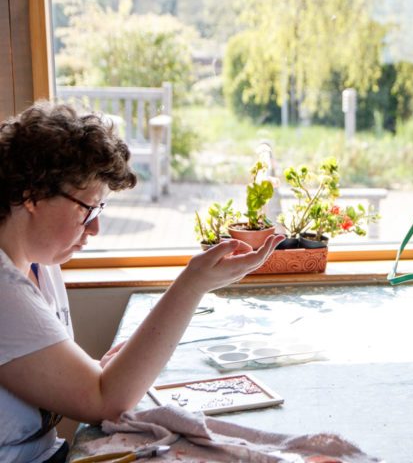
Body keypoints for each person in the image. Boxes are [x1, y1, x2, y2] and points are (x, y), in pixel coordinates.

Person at [0, 101, 284, 463]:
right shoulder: (4, 290)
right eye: (87, 208)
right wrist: (192, 285)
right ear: (32, 196)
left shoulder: (41, 264)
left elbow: (78, 383)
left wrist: (101, 372)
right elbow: (106, 402)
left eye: (100, 210)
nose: (95, 228)